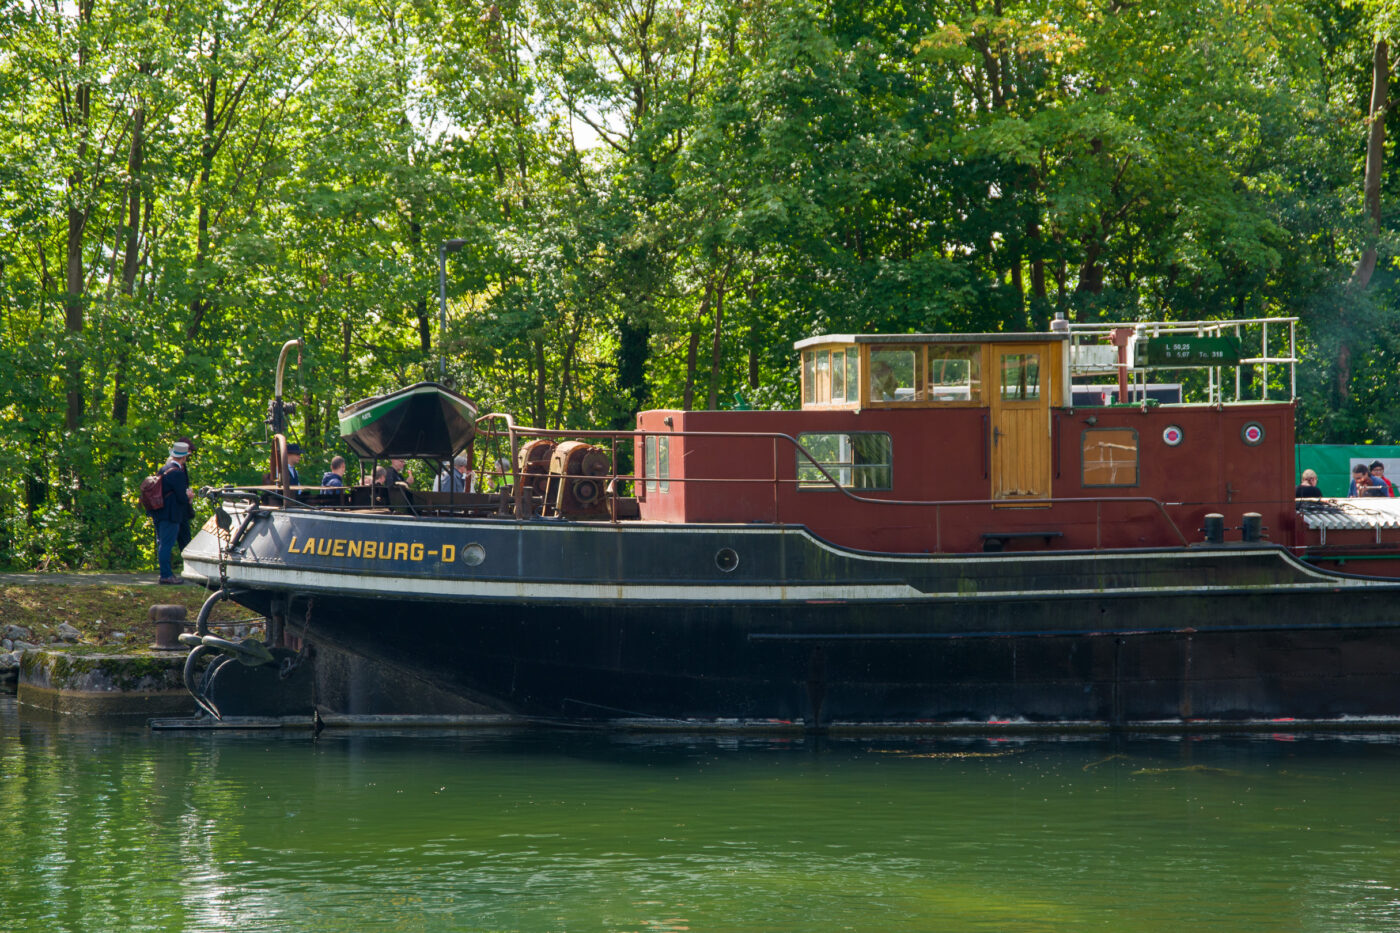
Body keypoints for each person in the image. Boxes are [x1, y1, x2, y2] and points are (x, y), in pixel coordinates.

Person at [151, 441, 195, 584]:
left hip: (158, 511)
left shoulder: (163, 469)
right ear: (184, 457)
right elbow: (182, 498)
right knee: (167, 545)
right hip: (171, 514)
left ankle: (165, 573)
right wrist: (189, 496)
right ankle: (166, 575)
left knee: (162, 543)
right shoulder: (177, 473)